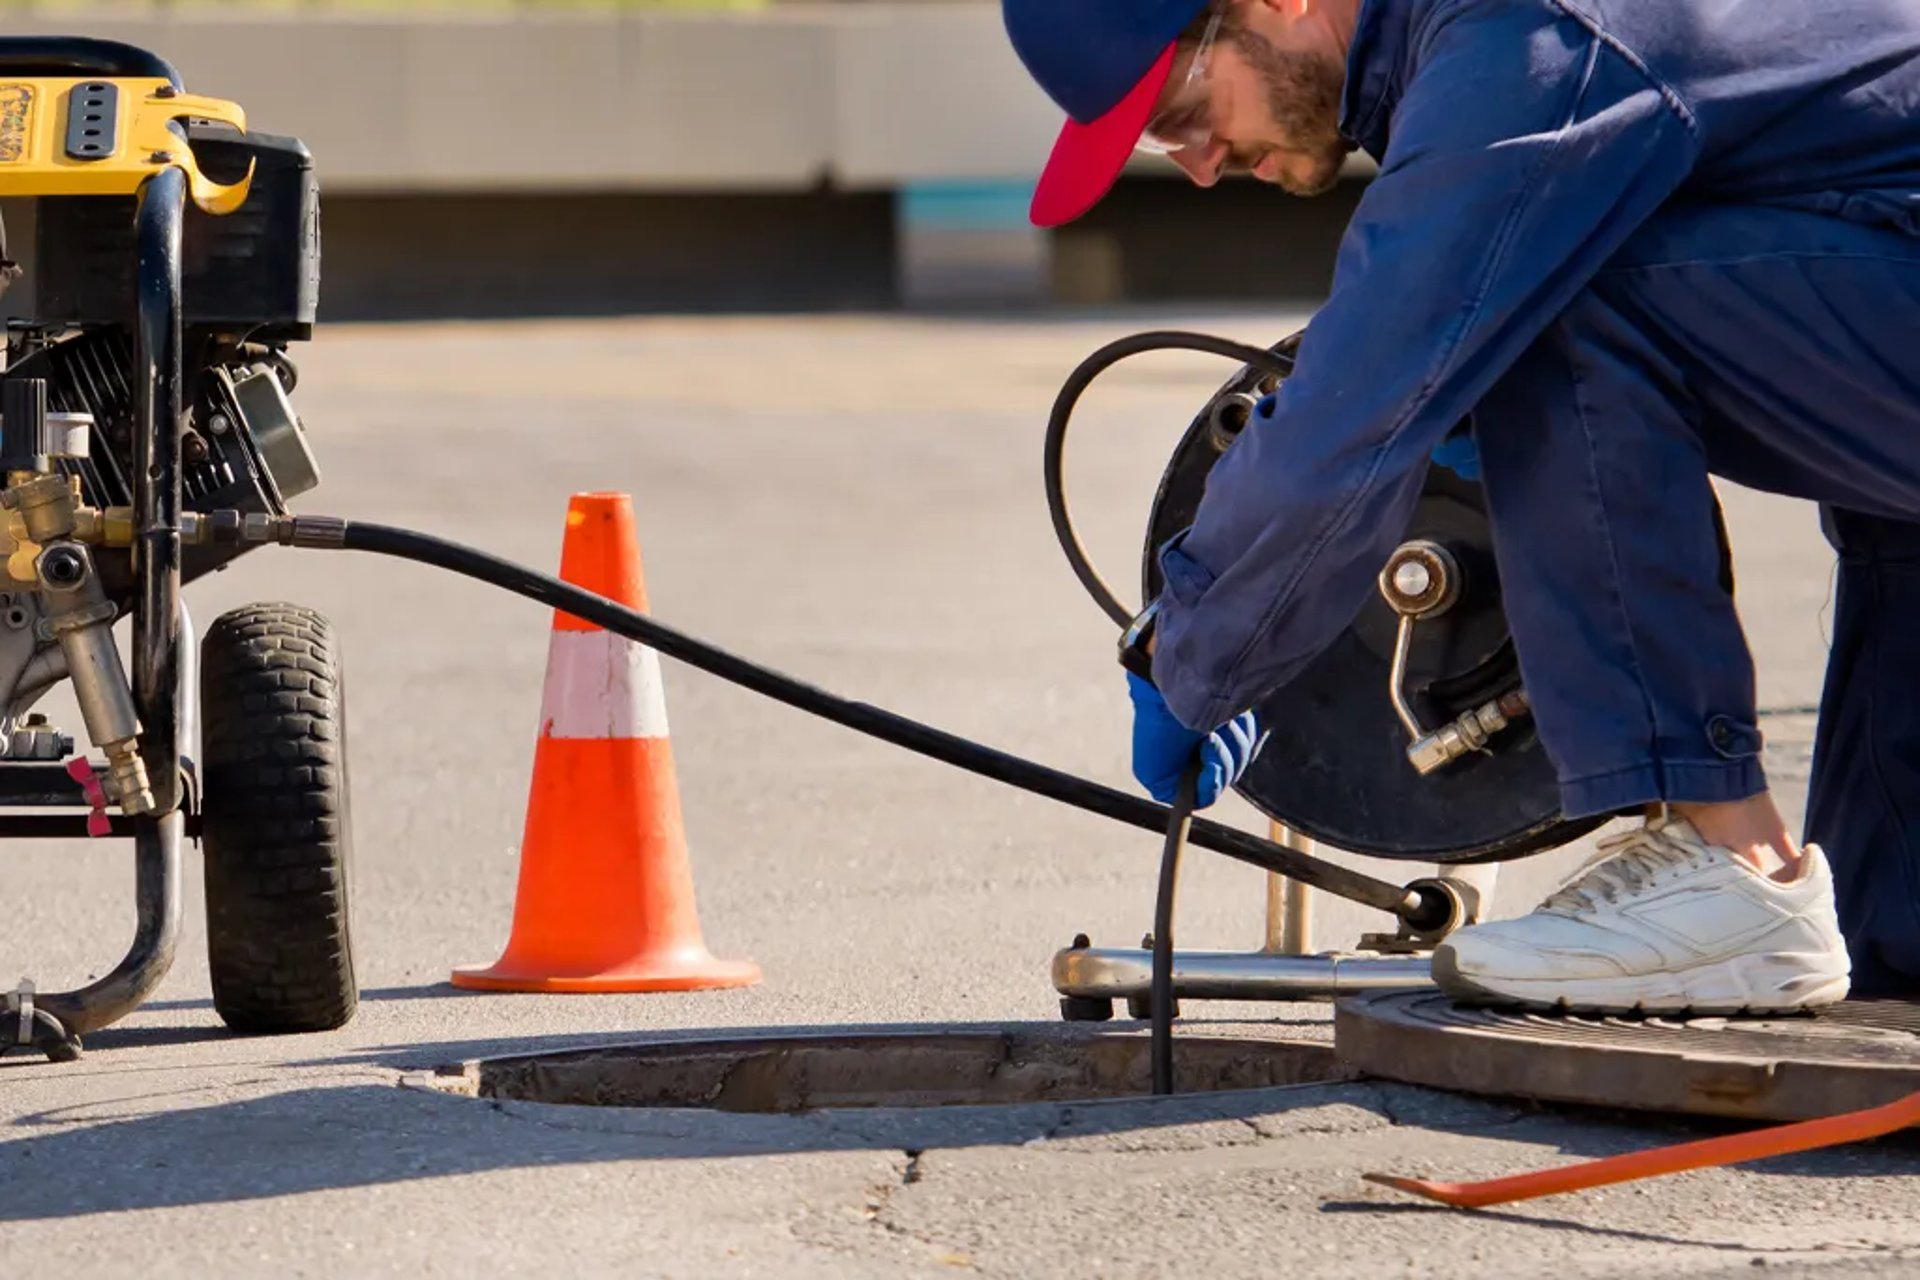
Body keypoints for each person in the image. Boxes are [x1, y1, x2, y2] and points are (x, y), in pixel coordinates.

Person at [1001, 0, 1920, 1011]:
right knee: (1893, 930)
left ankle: (1730, 857)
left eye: (1179, 113)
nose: (1201, 162)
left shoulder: (1530, 35)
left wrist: (1192, 647)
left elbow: (1359, 397)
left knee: (1544, 294)